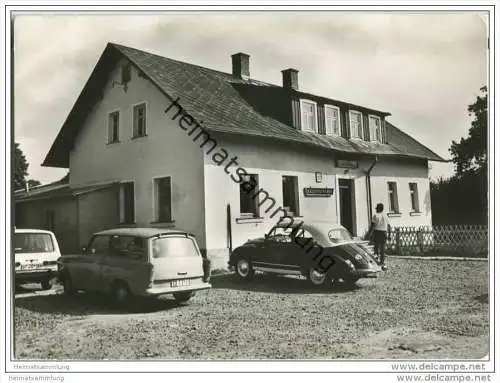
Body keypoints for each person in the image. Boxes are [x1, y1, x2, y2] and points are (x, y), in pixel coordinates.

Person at [368, 203, 391, 270]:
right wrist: (389, 234)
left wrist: (370, 233)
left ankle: (376, 260)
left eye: (376, 208)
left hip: (377, 232)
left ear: (378, 208)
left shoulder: (375, 215)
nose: (376, 209)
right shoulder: (385, 215)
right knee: (382, 248)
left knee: (376, 247)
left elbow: (372, 225)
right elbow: (389, 226)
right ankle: (382, 262)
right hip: (384, 232)